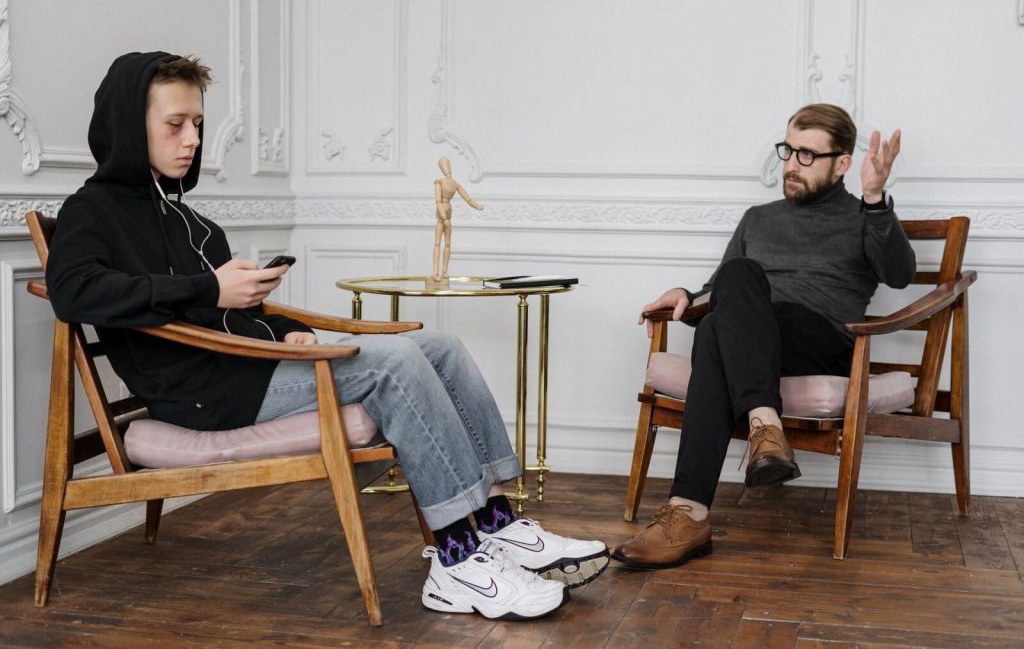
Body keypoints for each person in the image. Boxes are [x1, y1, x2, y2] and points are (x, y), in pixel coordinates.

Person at [45, 51, 608, 620]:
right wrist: (209, 290)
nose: (192, 138)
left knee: (442, 346)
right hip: (205, 394)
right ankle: (457, 562)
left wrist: (291, 331)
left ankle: (496, 522)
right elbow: (74, 292)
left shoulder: (190, 221)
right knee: (393, 362)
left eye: (197, 123)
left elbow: (241, 316)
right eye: (175, 124)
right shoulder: (91, 211)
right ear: (126, 124)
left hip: (247, 365)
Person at [611, 104, 916, 569]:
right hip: (753, 341)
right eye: (789, 150)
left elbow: (900, 274)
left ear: (843, 164)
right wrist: (686, 295)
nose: (792, 164)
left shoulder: (862, 218)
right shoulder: (758, 218)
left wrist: (875, 198)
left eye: (808, 155)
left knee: (725, 312)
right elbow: (722, 294)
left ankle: (689, 511)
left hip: (820, 342)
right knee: (728, 293)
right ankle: (756, 437)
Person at [432, 156, 483, 281]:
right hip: (444, 211)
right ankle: (436, 272)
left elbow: (467, 199)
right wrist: (444, 218)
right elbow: (439, 202)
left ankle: (443, 272)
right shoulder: (444, 182)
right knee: (440, 243)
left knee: (445, 244)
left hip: (446, 210)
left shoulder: (450, 183)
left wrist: (477, 206)